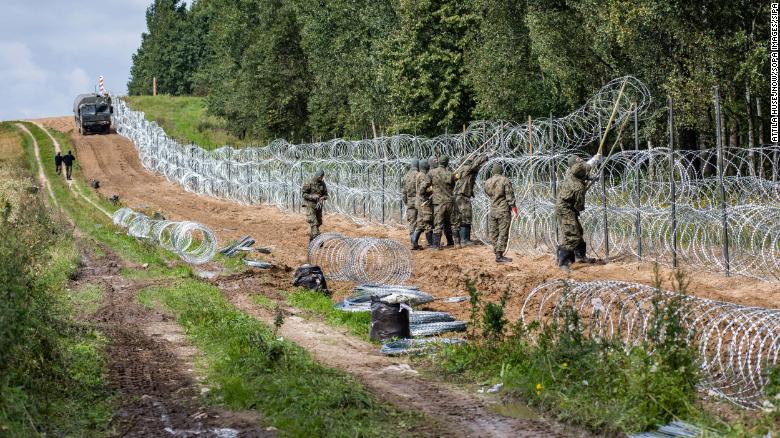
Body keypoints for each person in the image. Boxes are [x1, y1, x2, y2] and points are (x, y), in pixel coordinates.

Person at [555, 153, 602, 271]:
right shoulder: (578, 187)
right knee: (572, 234)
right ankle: (563, 261)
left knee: (578, 230)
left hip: (566, 207)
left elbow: (580, 171)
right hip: (565, 208)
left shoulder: (570, 172)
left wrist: (589, 177)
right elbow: (579, 206)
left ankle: (580, 256)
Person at [453, 153, 489, 246]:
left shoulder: (461, 170)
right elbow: (476, 164)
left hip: (460, 196)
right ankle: (464, 240)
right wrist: (484, 156)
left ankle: (463, 239)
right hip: (462, 196)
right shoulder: (466, 168)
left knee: (463, 216)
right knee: (465, 216)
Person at [483, 163, 517, 263]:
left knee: (494, 232)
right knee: (503, 232)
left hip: (493, 209)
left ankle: (496, 252)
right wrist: (514, 208)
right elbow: (509, 196)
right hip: (503, 210)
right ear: (501, 171)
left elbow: (487, 193)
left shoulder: (488, 182)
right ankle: (499, 255)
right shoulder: (505, 180)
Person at [428, 155, 456, 249]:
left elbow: (427, 184)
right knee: (450, 222)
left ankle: (436, 245)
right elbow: (452, 186)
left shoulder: (432, 172)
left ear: (439, 162)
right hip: (449, 201)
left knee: (438, 223)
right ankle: (451, 242)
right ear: (447, 163)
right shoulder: (450, 174)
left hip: (438, 202)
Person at [411, 159, 433, 250]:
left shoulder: (419, 174)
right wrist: (431, 190)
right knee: (427, 221)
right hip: (423, 201)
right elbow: (422, 188)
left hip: (418, 201)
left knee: (420, 222)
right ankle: (431, 243)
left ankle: (414, 243)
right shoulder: (424, 176)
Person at [301, 169, 328, 242]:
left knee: (319, 223)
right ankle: (318, 240)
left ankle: (312, 239)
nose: (321, 178)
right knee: (314, 222)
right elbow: (304, 194)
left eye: (322, 177)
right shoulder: (309, 182)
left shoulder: (322, 184)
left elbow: (326, 195)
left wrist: (323, 197)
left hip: (318, 206)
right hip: (309, 205)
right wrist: (312, 196)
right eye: (321, 177)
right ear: (318, 176)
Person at [401, 159, 419, 243]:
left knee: (412, 221)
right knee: (423, 221)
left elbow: (403, 193)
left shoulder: (406, 176)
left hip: (410, 202)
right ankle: (431, 242)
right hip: (419, 202)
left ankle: (413, 241)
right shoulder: (419, 175)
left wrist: (406, 202)